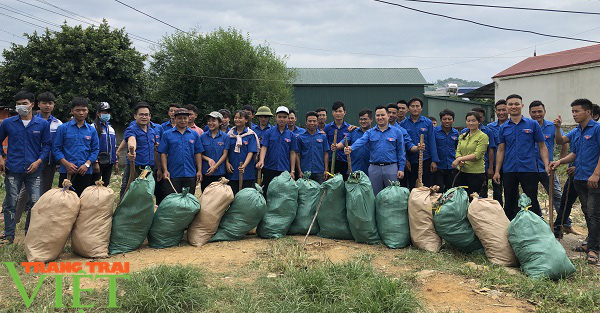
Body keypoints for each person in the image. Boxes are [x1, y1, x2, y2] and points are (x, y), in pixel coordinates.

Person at [550, 98, 600, 265]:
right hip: (579, 178)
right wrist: (560, 161)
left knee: (594, 214)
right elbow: (563, 143)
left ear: (588, 112)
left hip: (593, 179)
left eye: (577, 111)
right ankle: (592, 243)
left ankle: (593, 249)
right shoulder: (577, 130)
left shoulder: (597, 129)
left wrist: (596, 174)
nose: (574, 114)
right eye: (572, 111)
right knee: (587, 212)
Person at [0, 91, 51, 245]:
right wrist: (1, 157)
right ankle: (9, 235)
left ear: (32, 104)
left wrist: (38, 162)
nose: (22, 106)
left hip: (34, 170)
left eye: (25, 103)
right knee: (11, 202)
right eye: (19, 104)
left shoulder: (42, 124)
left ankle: (30, 233)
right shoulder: (8, 123)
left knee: (35, 203)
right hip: (13, 169)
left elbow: (47, 145)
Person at [493, 94, 549, 220]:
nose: (514, 106)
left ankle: (534, 228)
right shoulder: (503, 128)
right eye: (511, 104)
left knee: (531, 201)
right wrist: (497, 171)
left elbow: (542, 146)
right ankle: (511, 229)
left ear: (522, 106)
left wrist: (546, 165)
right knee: (510, 201)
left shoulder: (532, 124)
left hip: (528, 169)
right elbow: (500, 150)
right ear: (507, 106)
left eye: (516, 104)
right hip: (509, 170)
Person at [14, 91, 62, 223]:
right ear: (38, 104)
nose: (47, 106)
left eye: (50, 103)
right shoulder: (31, 120)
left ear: (53, 105)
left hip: (50, 162)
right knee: (25, 192)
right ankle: (15, 219)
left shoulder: (58, 124)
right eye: (44, 103)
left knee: (45, 192)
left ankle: (38, 221)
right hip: (33, 162)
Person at [344, 105, 405, 195]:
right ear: (375, 117)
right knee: (374, 195)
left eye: (382, 115)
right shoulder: (370, 132)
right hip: (374, 168)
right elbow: (360, 141)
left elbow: (401, 152)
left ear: (388, 115)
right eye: (378, 115)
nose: (380, 118)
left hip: (391, 167)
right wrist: (350, 148)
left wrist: (401, 168)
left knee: (393, 195)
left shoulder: (397, 132)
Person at [54, 97, 99, 196]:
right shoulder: (63, 128)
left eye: (84, 110)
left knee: (83, 200)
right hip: (66, 172)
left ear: (87, 111)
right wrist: (66, 164)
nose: (81, 113)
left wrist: (87, 165)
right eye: (78, 110)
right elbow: (56, 149)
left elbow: (95, 150)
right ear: (72, 111)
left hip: (85, 172)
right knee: (64, 200)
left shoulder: (92, 130)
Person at [529, 100, 566, 219]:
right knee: (531, 197)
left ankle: (563, 223)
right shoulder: (526, 126)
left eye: (540, 111)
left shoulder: (552, 126)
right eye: (534, 112)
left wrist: (560, 160)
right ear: (529, 113)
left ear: (545, 112)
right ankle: (539, 221)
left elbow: (563, 142)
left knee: (556, 195)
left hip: (547, 168)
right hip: (529, 169)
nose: (537, 114)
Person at [120, 102, 162, 199]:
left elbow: (155, 150)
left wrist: (158, 168)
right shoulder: (131, 129)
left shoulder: (152, 131)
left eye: (146, 115)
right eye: (141, 114)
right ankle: (122, 211)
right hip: (134, 168)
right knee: (128, 190)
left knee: (145, 193)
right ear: (135, 116)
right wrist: (132, 151)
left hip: (149, 169)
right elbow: (131, 140)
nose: (144, 117)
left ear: (150, 116)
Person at [158, 108, 203, 195]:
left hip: (190, 173)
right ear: (175, 119)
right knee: (174, 200)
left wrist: (199, 171)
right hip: (173, 174)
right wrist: (165, 170)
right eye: (180, 118)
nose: (183, 120)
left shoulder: (194, 134)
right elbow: (163, 153)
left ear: (188, 119)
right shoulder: (167, 134)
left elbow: (198, 153)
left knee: (188, 200)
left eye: (185, 118)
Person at [256, 106, 297, 197]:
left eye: (284, 117)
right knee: (266, 191)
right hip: (269, 167)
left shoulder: (291, 135)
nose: (281, 119)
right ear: (276, 117)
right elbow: (264, 147)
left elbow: (292, 153)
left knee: (282, 194)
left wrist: (292, 171)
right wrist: (261, 160)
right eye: (279, 117)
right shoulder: (269, 132)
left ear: (287, 118)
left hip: (284, 169)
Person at [400, 98, 439, 188]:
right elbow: (401, 145)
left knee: (427, 185)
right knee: (412, 186)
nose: (415, 108)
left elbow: (432, 142)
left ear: (421, 108)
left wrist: (434, 161)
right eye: (412, 106)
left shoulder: (427, 122)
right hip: (410, 161)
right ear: (408, 109)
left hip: (426, 159)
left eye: (417, 106)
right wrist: (405, 160)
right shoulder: (403, 124)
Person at [452, 112, 489, 196]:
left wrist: (459, 159)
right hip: (461, 171)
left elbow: (477, 155)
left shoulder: (483, 136)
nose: (471, 123)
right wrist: (459, 159)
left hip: (476, 173)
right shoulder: (462, 136)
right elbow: (458, 151)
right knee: (460, 198)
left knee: (473, 198)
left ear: (479, 122)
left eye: (473, 121)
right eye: (468, 121)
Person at [464, 107, 496, 198]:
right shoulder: (464, 133)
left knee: (481, 193)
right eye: (470, 119)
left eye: (479, 117)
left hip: (481, 168)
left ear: (482, 119)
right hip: (465, 168)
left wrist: (490, 167)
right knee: (466, 193)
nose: (472, 122)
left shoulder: (487, 132)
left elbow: (490, 150)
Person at [226, 110, 259, 194]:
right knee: (233, 194)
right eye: (236, 118)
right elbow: (225, 151)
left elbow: (251, 152)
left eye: (240, 118)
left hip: (247, 171)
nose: (237, 120)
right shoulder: (229, 135)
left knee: (245, 196)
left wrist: (244, 166)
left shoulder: (250, 135)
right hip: (232, 170)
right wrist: (227, 163)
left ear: (246, 120)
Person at [295, 111, 329, 183]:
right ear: (306, 122)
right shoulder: (300, 137)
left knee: (320, 192)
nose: (312, 123)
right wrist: (299, 171)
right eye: (310, 121)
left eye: (314, 121)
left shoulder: (323, 136)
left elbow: (325, 154)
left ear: (317, 122)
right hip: (305, 171)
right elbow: (297, 154)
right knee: (305, 193)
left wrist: (326, 170)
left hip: (319, 171)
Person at [200, 111, 230, 191]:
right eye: (209, 121)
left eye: (213, 121)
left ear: (220, 122)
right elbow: (199, 153)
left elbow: (225, 154)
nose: (210, 123)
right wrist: (208, 159)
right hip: (206, 172)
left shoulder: (225, 137)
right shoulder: (202, 136)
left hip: (220, 172)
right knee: (206, 197)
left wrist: (215, 166)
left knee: (220, 198)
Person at [486, 100, 508, 205]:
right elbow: (489, 148)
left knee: (511, 191)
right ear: (495, 111)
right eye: (499, 110)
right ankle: (498, 213)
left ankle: (511, 214)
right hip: (495, 165)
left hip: (510, 164)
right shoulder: (489, 127)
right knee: (497, 191)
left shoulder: (513, 125)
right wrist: (490, 167)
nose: (501, 112)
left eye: (504, 110)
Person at [91, 102, 117, 187]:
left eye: (108, 112)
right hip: (98, 162)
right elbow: (91, 146)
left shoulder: (111, 129)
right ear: (98, 114)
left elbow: (114, 146)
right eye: (104, 112)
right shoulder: (93, 127)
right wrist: (95, 162)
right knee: (95, 185)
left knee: (105, 184)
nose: (107, 114)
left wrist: (115, 161)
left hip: (109, 162)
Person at [325, 101, 351, 180]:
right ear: (333, 113)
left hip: (345, 161)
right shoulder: (327, 128)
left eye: (340, 111)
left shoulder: (349, 128)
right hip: (331, 161)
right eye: (336, 111)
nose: (338, 114)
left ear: (344, 112)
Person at [434, 109, 459, 192]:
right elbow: (432, 147)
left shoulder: (456, 133)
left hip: (452, 166)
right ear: (441, 120)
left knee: (450, 191)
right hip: (438, 166)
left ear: (453, 120)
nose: (447, 121)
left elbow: (458, 148)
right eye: (444, 119)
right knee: (438, 190)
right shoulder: (435, 132)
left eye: (449, 119)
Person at [347, 109, 373, 175]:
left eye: (365, 119)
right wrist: (336, 146)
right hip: (355, 169)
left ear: (371, 119)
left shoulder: (375, 133)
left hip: (371, 170)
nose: (363, 121)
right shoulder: (353, 132)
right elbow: (342, 143)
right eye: (361, 119)